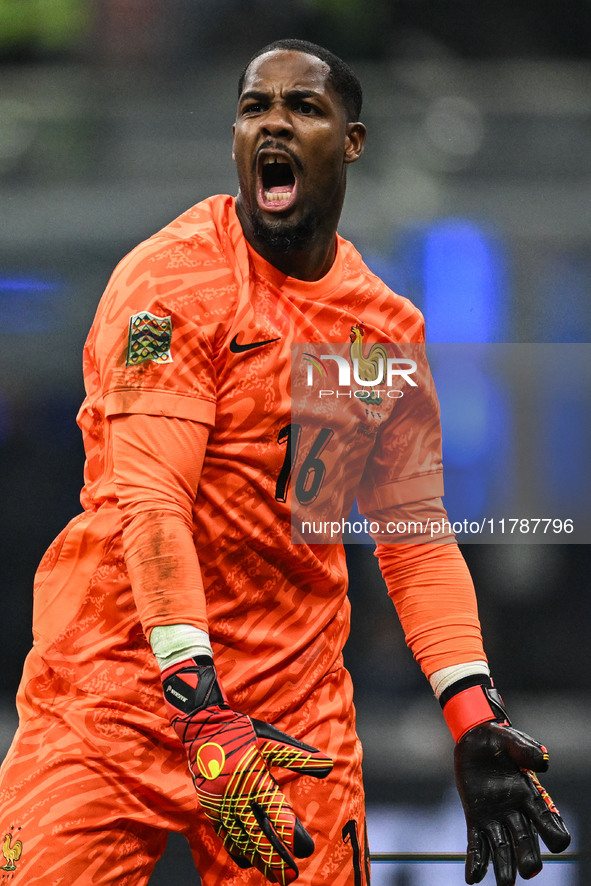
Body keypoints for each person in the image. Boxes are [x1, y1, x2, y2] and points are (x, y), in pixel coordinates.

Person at [0, 38, 570, 886]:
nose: (273, 122)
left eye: (302, 107)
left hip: (288, 713)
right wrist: (200, 710)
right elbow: (151, 506)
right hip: (114, 701)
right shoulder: (175, 284)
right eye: (253, 107)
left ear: (351, 141)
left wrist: (473, 714)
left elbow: (408, 538)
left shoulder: (367, 328)